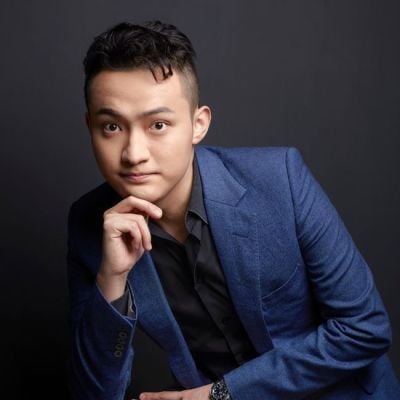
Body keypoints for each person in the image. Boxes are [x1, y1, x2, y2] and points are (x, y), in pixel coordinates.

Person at [66, 20, 400, 400]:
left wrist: (220, 394)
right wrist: (111, 280)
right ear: (90, 126)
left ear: (198, 124)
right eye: (111, 127)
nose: (133, 154)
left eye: (158, 124)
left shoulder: (279, 180)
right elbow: (94, 393)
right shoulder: (90, 225)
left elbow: (365, 327)